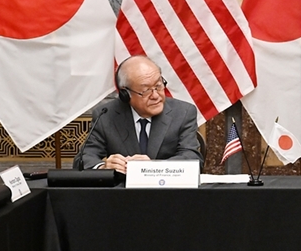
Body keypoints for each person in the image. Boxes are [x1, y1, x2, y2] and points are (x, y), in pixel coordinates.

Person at [73, 55, 203, 173]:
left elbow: (192, 159)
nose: (156, 96)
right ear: (125, 94)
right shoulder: (106, 115)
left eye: (158, 86)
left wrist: (153, 167)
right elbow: (84, 158)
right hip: (122, 195)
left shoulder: (183, 112)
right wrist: (103, 167)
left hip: (167, 193)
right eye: (146, 91)